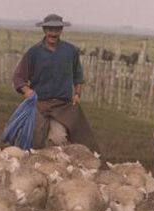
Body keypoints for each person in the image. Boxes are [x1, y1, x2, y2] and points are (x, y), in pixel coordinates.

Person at [12, 13, 98, 151]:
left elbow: (78, 75)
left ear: (61, 31)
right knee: (29, 140)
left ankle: (61, 167)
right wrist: (27, 91)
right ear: (44, 30)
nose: (53, 33)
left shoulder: (70, 51)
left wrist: (77, 94)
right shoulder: (33, 53)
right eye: (50, 29)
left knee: (59, 139)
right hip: (38, 104)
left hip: (62, 106)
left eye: (57, 30)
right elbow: (18, 77)